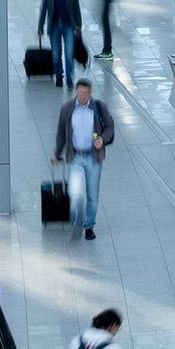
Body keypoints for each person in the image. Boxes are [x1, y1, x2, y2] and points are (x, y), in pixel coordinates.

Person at [53, 79, 115, 241]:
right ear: (75, 91)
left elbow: (110, 127)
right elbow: (61, 133)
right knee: (75, 193)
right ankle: (76, 219)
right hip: (75, 157)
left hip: (93, 158)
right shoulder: (67, 109)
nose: (81, 96)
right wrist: (57, 154)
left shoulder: (99, 108)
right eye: (79, 93)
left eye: (84, 93)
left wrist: (102, 139)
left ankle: (89, 225)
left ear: (90, 93)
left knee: (92, 196)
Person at [38, 0, 83, 89]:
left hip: (69, 26)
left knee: (69, 54)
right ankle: (59, 76)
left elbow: (76, 8)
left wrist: (79, 26)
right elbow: (44, 11)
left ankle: (69, 78)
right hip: (54, 28)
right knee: (56, 55)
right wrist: (40, 27)